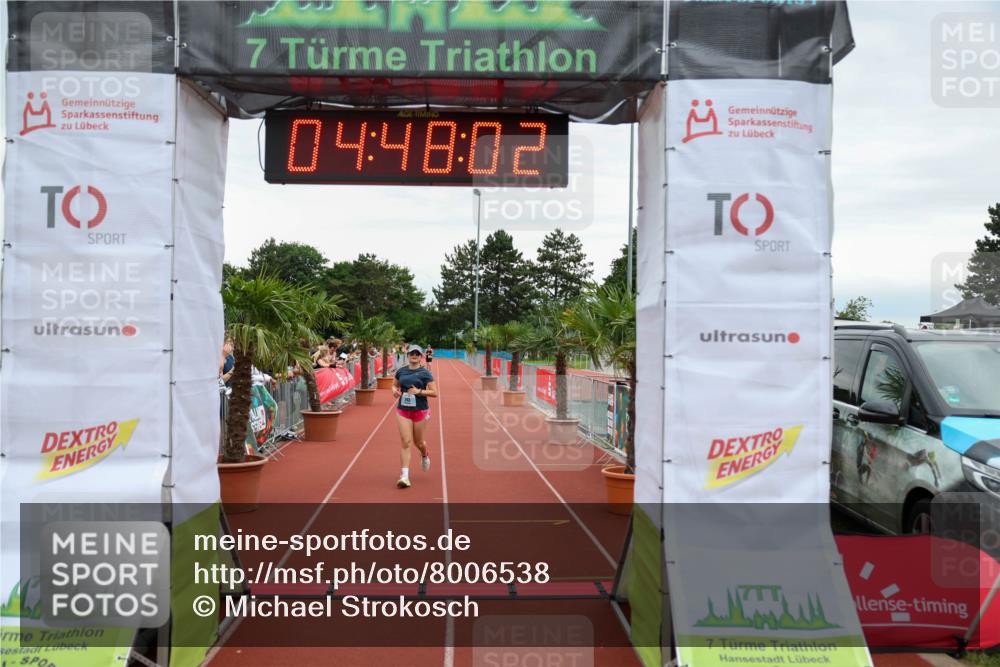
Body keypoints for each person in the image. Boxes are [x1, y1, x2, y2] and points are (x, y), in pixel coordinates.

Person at [392, 344, 437, 489]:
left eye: (417, 353)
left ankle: (424, 454)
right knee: (406, 442)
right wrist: (395, 391)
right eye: (412, 353)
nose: (414, 355)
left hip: (420, 410)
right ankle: (404, 476)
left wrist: (419, 392)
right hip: (403, 410)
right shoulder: (401, 371)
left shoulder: (425, 373)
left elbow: (434, 392)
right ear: (408, 354)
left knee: (420, 442)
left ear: (421, 356)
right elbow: (394, 385)